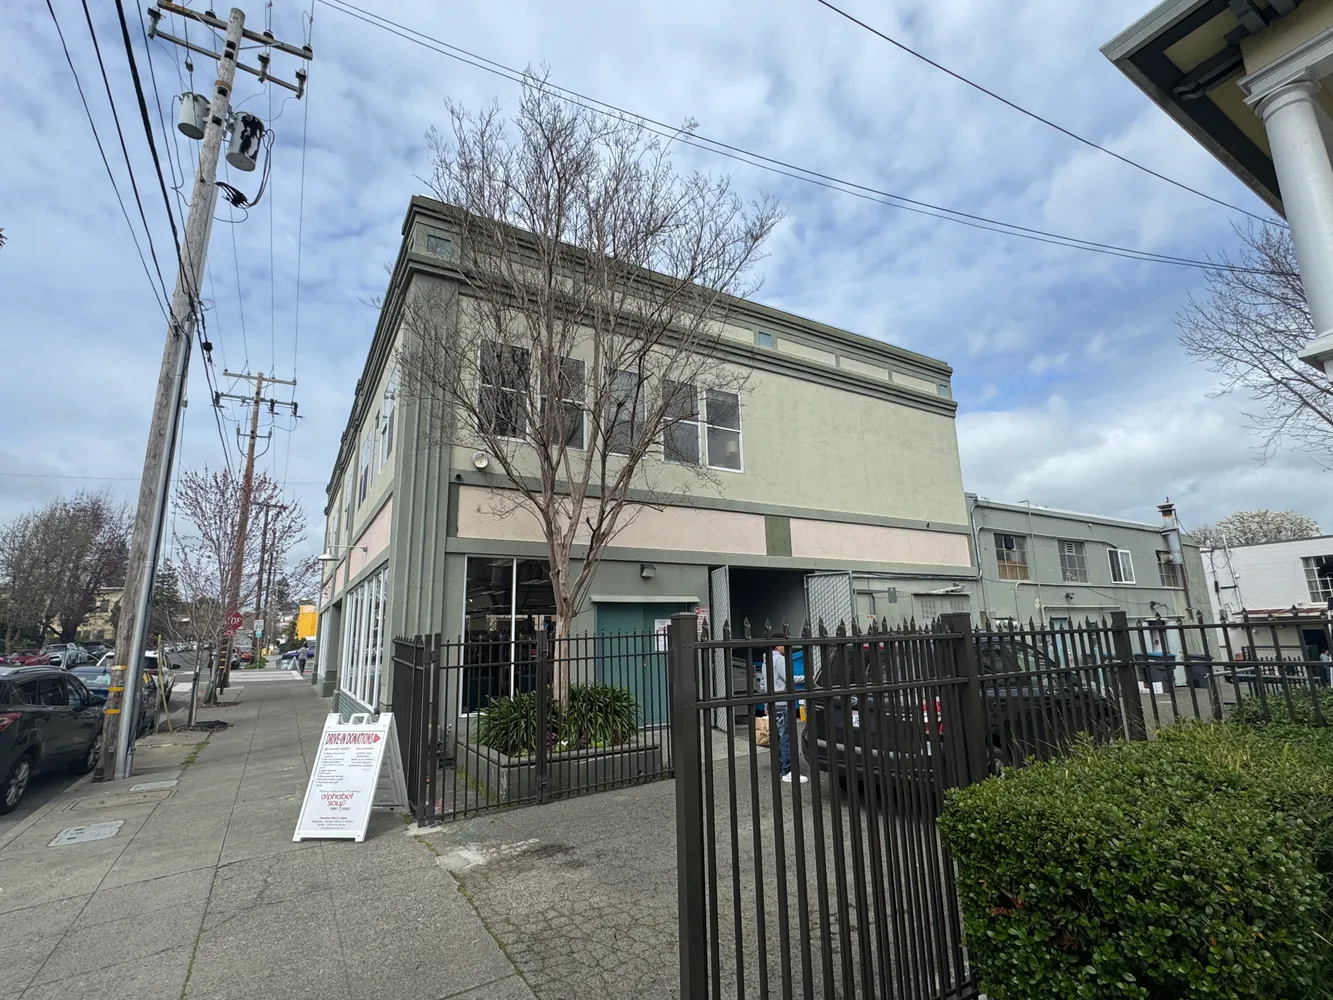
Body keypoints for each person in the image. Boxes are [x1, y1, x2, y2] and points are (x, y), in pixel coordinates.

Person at [769, 645, 807, 784]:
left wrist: (766, 704)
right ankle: (788, 771)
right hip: (782, 702)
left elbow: (764, 684)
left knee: (777, 736)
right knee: (786, 737)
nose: (786, 647)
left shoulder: (766, 660)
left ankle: (780, 767)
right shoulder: (779, 659)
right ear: (777, 645)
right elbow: (789, 678)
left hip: (772, 702)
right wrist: (807, 678)